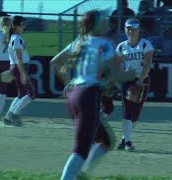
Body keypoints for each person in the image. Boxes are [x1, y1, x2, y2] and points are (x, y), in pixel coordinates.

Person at [50, 9, 135, 180]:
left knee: (105, 141)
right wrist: (133, 75)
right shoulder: (105, 43)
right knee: (81, 150)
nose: (106, 22)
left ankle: (81, 175)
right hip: (88, 95)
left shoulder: (79, 42)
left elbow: (55, 62)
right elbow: (117, 75)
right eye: (103, 19)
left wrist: (67, 84)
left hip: (74, 93)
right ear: (97, 24)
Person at [115, 18, 154, 151]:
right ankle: (128, 143)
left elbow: (148, 64)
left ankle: (124, 139)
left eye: (133, 28)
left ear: (139, 30)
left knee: (136, 114)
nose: (130, 31)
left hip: (142, 80)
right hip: (128, 80)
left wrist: (140, 80)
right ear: (125, 29)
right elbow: (117, 65)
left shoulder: (145, 44)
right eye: (128, 28)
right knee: (128, 111)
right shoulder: (121, 46)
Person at [3, 16, 35, 127]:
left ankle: (8, 116)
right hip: (19, 67)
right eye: (23, 24)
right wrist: (23, 73)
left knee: (21, 94)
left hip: (16, 67)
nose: (24, 26)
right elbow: (18, 58)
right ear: (16, 26)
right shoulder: (17, 38)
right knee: (31, 94)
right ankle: (13, 115)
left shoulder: (14, 37)